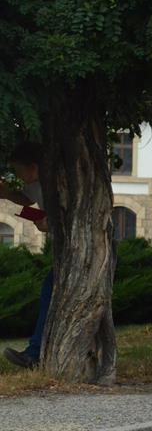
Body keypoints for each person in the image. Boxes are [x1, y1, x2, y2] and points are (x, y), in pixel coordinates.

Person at [1, 141, 49, 369]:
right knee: (49, 293)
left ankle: (35, 354)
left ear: (33, 167)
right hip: (65, 253)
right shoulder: (36, 183)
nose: (20, 177)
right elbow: (27, 199)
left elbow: (48, 222)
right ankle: (36, 352)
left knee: (50, 294)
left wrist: (43, 221)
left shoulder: (54, 185)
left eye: (20, 171)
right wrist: (7, 195)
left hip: (80, 253)